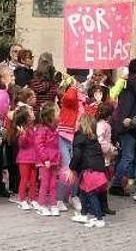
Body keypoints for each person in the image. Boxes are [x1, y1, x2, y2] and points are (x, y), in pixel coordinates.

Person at [111, 58, 136, 196]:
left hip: (119, 122)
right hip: (128, 124)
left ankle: (118, 183)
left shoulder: (125, 81)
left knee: (123, 155)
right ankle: (117, 184)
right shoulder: (135, 81)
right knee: (128, 156)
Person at [70, 114, 108, 228]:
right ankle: (83, 213)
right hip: (98, 170)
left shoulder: (79, 138)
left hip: (89, 171)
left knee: (91, 194)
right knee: (83, 192)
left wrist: (71, 168)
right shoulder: (94, 140)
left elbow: (77, 155)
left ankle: (98, 217)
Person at [56, 72, 84, 212]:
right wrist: (72, 86)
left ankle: (73, 196)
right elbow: (70, 96)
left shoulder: (83, 100)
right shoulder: (68, 99)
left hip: (77, 137)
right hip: (64, 136)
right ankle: (59, 198)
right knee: (67, 168)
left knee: (75, 168)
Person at [35, 102, 62, 216]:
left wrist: (58, 158)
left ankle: (53, 203)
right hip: (45, 162)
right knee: (45, 184)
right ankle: (41, 204)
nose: (59, 113)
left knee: (53, 184)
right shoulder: (42, 130)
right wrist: (45, 158)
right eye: (57, 111)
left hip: (54, 161)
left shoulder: (55, 130)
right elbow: (39, 145)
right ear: (50, 115)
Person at [12, 106, 38, 210]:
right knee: (24, 179)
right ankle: (22, 199)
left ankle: (32, 198)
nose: (33, 113)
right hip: (24, 159)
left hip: (33, 158)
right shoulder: (22, 130)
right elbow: (22, 144)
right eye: (30, 112)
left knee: (33, 180)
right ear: (26, 117)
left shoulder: (33, 128)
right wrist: (23, 136)